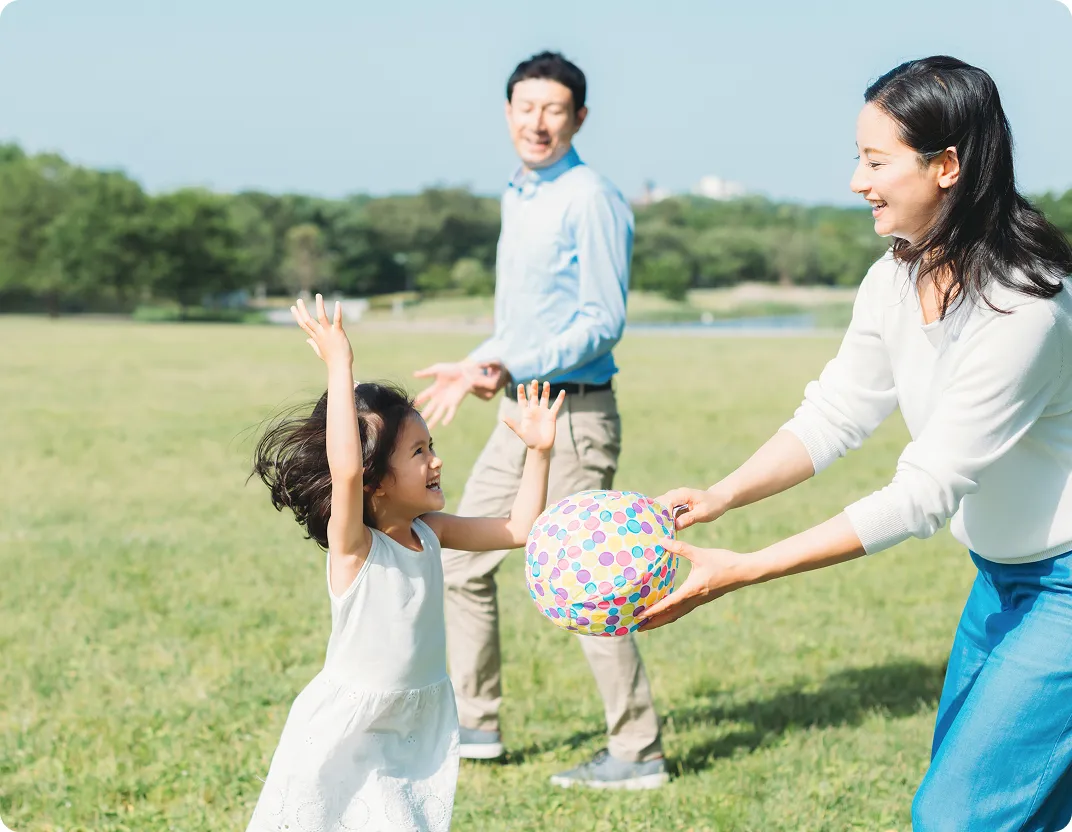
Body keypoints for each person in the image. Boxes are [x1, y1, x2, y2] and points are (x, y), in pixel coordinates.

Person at [642, 56, 1072, 830]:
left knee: (955, 818)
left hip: (1065, 591)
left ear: (947, 166)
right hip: (1002, 579)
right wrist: (723, 494)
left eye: (876, 162)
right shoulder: (895, 277)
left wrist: (742, 570)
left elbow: (921, 495)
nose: (855, 182)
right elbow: (836, 412)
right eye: (857, 158)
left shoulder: (1025, 309)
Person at [412, 51, 667, 788]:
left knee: (588, 580)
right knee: (460, 560)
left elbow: (601, 322)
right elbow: (525, 320)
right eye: (526, 107)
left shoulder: (588, 196)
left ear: (579, 118)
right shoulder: (520, 194)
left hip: (575, 415)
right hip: (523, 412)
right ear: (508, 112)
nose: (538, 121)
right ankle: (478, 723)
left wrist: (507, 365)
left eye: (555, 109)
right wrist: (483, 362)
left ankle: (638, 751)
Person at [246, 294, 565, 831]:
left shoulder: (430, 532)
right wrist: (339, 364)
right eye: (418, 453)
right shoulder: (355, 547)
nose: (436, 459)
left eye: (431, 445)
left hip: (415, 722)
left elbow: (521, 530)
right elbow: (342, 470)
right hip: (349, 730)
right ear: (373, 481)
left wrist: (540, 452)